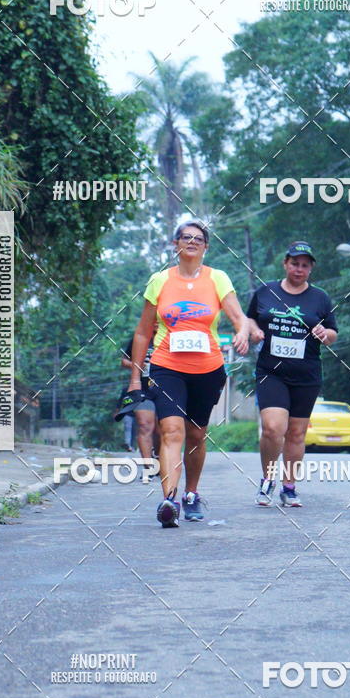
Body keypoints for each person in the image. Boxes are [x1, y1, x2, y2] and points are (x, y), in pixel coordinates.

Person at [127, 219, 249, 528]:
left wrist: (243, 333)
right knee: (171, 432)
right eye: (185, 237)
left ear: (206, 247)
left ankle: (191, 494)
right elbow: (142, 333)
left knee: (196, 435)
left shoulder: (218, 279)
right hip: (167, 366)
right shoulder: (160, 281)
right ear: (175, 244)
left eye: (198, 238)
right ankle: (169, 500)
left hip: (207, 369)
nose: (192, 242)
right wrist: (134, 379)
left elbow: (238, 316)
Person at [246, 241, 338, 508]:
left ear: (311, 269)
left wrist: (325, 334)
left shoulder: (320, 298)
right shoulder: (266, 291)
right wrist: (253, 330)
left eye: (305, 265)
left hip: (306, 374)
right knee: (273, 428)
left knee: (297, 434)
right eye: (295, 263)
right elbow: (250, 318)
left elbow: (332, 332)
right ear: (285, 264)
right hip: (271, 371)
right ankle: (267, 479)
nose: (299, 269)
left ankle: (289, 487)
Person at [121, 331, 160, 477]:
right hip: (143, 389)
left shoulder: (171, 336)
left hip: (167, 389)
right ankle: (149, 466)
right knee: (144, 425)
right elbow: (124, 361)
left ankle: (159, 458)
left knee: (161, 430)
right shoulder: (140, 338)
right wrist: (136, 365)